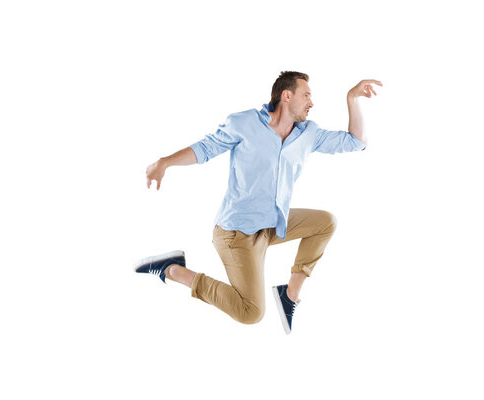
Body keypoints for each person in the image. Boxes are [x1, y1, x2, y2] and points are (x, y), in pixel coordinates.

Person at [134, 71, 382, 334]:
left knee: (325, 222)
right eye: (306, 95)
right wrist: (164, 163)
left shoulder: (308, 134)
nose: (311, 102)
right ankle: (172, 270)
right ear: (287, 96)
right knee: (251, 313)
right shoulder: (245, 123)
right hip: (235, 234)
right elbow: (205, 149)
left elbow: (356, 142)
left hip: (272, 224)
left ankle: (290, 294)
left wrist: (352, 98)